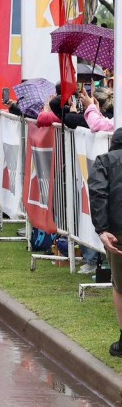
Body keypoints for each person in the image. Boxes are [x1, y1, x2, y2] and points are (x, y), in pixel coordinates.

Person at [89, 127, 122, 358]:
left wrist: (102, 229)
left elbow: (98, 193)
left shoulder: (104, 161)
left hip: (117, 233)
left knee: (120, 286)